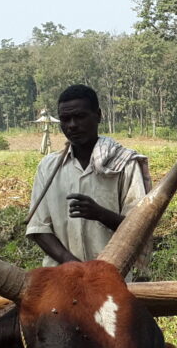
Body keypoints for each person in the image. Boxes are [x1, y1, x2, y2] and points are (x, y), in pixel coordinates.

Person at [26, 84, 152, 272]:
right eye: (65, 119)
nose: (72, 125)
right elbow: (39, 228)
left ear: (98, 115)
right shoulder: (48, 167)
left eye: (80, 116)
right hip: (61, 275)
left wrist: (99, 213)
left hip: (113, 276)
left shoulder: (124, 164)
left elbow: (139, 228)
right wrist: (71, 263)